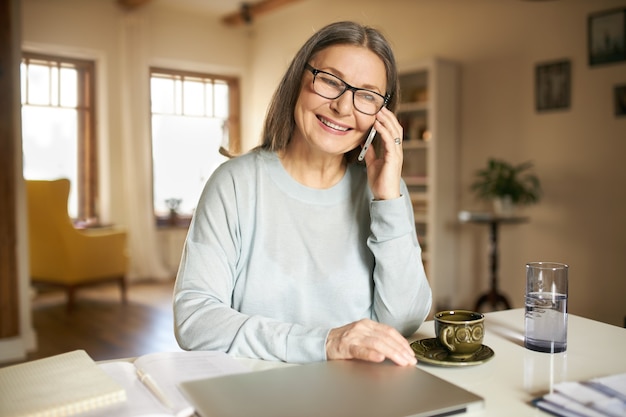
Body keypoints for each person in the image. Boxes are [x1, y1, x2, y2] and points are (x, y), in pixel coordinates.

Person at [173, 21, 432, 366]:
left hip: (359, 391)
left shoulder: (386, 192)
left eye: (367, 96)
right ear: (299, 80)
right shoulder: (234, 184)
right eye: (329, 80)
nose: (343, 107)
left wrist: (388, 202)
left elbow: (403, 322)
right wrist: (325, 342)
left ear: (382, 115)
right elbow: (195, 320)